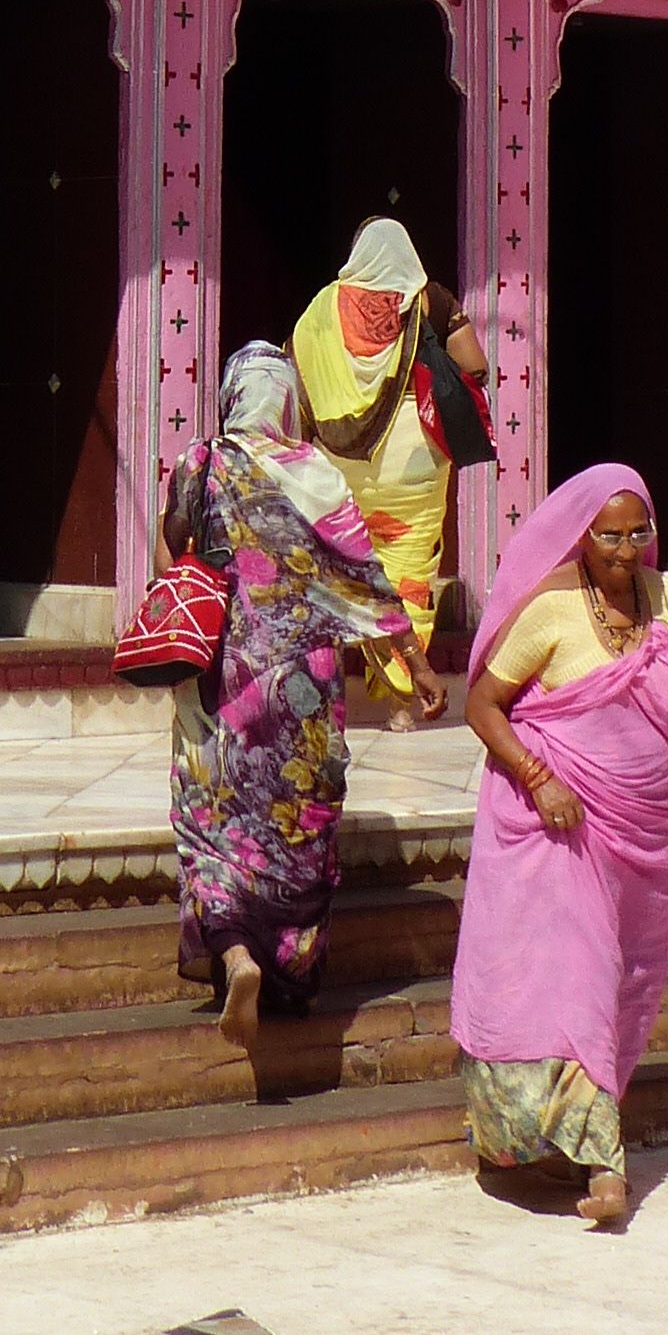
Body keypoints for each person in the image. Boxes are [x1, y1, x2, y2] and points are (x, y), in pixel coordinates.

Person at [450, 465, 668, 1230]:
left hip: (647, 833)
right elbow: (482, 703)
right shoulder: (551, 607)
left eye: (638, 533)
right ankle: (607, 1166)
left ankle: (571, 1138)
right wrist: (538, 778)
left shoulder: (660, 596)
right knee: (575, 978)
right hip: (559, 830)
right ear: (583, 536)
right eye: (610, 536)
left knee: (622, 985)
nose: (626, 549)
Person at [161, 342, 444, 1054]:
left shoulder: (202, 461)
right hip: (308, 687)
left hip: (225, 673)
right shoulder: (317, 473)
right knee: (297, 823)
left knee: (217, 823)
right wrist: (416, 662)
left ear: (232, 398)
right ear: (289, 403)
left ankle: (234, 955)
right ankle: (284, 967)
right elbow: (368, 583)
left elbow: (175, 548)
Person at [291, 217, 489, 726]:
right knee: (408, 571)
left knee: (341, 568)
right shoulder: (429, 299)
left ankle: (327, 698)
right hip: (416, 457)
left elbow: (297, 370)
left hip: (342, 461)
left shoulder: (324, 309)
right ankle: (403, 700)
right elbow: (476, 365)